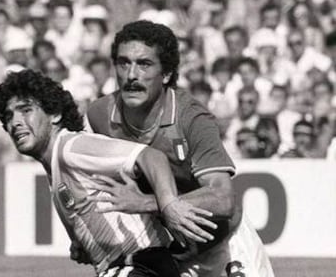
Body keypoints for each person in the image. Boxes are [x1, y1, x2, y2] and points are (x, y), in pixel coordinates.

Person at [86, 20, 274, 277]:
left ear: (166, 74)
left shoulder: (192, 118)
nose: (131, 75)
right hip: (162, 256)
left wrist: (148, 203)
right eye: (123, 63)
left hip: (222, 246)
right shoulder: (99, 115)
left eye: (144, 64)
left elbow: (223, 197)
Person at [0, 69, 219, 277]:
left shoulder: (71, 147)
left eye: (26, 110)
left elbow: (151, 157)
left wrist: (169, 205)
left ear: (54, 115)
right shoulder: (57, 167)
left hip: (140, 266)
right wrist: (85, 244)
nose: (15, 122)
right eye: (9, 116)